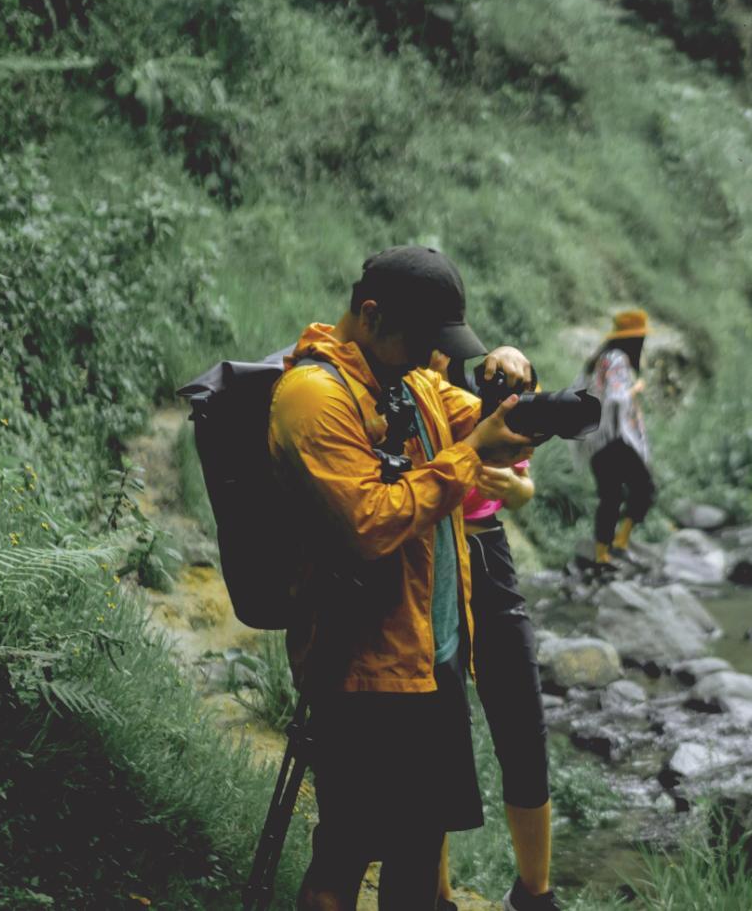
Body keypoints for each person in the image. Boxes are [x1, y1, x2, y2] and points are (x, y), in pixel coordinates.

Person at [267, 246, 534, 911]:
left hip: (431, 659)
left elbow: (496, 431)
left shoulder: (409, 382)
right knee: (345, 855)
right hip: (361, 668)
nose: (430, 357)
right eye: (420, 340)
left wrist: (527, 399)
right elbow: (369, 523)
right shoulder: (313, 397)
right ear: (371, 314)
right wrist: (470, 457)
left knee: (418, 852)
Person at [430, 353, 559, 911]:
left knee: (524, 723)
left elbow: (524, 489)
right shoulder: (411, 391)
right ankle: (435, 896)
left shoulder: (488, 395)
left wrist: (509, 484)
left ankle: (534, 894)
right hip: (427, 553)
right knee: (435, 731)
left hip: (486, 549)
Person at [578, 310, 655, 565]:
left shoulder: (601, 358)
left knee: (610, 495)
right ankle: (619, 543)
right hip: (613, 438)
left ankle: (603, 553)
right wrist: (636, 388)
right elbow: (616, 396)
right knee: (643, 488)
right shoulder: (618, 359)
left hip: (596, 438)